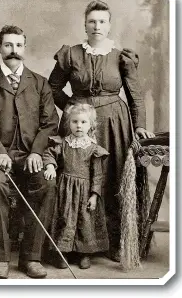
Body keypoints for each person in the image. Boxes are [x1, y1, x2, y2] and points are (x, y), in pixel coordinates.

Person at [48, 0, 155, 262]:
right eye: (92, 21)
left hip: (113, 123)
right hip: (78, 127)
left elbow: (135, 95)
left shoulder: (121, 57)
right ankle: (72, 243)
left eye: (102, 21)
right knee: (75, 178)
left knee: (113, 176)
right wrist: (74, 109)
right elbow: (52, 88)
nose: (97, 26)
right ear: (85, 25)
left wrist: (139, 124)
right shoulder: (71, 54)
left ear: (109, 25)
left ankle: (115, 242)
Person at [0, 25, 59, 279]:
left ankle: (31, 257)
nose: (13, 51)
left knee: (45, 183)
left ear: (25, 48)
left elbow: (50, 123)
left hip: (30, 155)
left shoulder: (40, 84)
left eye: (18, 45)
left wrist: (36, 153)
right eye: (8, 45)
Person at [42, 103, 109, 269]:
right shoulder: (63, 144)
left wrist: (94, 195)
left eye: (83, 122)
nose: (79, 125)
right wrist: (50, 165)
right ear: (68, 123)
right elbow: (48, 154)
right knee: (64, 219)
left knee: (84, 222)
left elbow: (98, 175)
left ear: (91, 125)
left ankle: (84, 254)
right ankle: (62, 253)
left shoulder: (93, 148)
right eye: (75, 121)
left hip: (85, 192)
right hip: (65, 190)